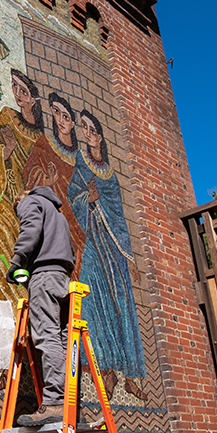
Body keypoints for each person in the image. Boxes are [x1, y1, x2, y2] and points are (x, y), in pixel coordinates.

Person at [67, 109, 146, 399]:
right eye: (84, 128)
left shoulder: (111, 174)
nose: (86, 133)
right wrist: (87, 198)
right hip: (91, 243)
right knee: (93, 303)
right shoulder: (80, 163)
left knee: (123, 304)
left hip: (113, 247)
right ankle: (106, 371)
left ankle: (131, 375)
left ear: (100, 135)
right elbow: (72, 196)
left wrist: (130, 258)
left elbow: (121, 219)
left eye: (91, 129)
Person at [7, 186, 75, 426]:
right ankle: (70, 405)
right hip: (63, 279)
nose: (20, 213)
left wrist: (16, 262)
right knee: (63, 342)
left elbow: (30, 230)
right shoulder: (59, 215)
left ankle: (55, 402)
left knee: (46, 337)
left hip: (44, 276)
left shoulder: (29, 202)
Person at [0, 69, 43, 306]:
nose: (17, 94)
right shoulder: (7, 116)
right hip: (8, 199)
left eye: (23, 91)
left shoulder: (42, 138)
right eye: (14, 87)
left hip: (32, 211)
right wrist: (7, 149)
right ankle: (4, 312)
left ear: (34, 99)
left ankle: (26, 313)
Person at [23, 92, 86, 278]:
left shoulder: (80, 158)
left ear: (73, 123)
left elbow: (83, 191)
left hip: (75, 222)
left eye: (66, 116)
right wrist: (46, 181)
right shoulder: (44, 143)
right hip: (51, 216)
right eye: (56, 112)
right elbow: (28, 174)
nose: (60, 120)